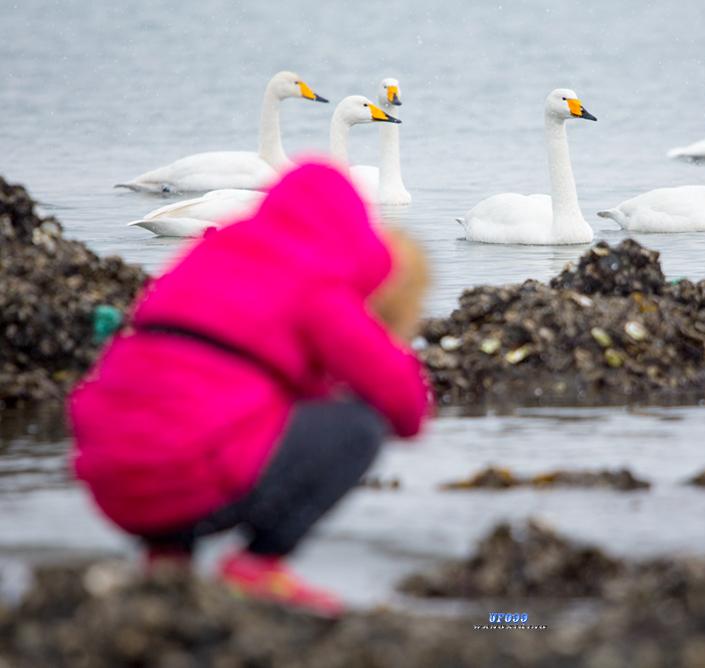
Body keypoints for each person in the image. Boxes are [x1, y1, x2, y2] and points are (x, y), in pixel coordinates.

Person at [68, 161, 432, 617]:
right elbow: (404, 403)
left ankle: (167, 563)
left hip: (112, 484)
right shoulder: (315, 281)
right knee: (359, 425)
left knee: (189, 409)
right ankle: (258, 566)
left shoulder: (206, 258)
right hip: (186, 478)